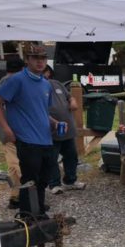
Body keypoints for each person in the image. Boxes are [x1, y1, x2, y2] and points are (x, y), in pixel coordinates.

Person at [0, 44, 58, 219]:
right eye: (35, 58)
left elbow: (42, 111)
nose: (40, 62)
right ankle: (27, 216)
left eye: (43, 58)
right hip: (27, 140)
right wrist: (6, 128)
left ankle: (40, 212)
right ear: (27, 60)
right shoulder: (17, 80)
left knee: (44, 180)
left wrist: (54, 122)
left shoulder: (45, 84)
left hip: (45, 139)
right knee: (30, 180)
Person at [44, 65, 85, 194]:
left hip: (67, 128)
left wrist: (73, 101)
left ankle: (70, 181)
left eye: (45, 71)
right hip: (50, 130)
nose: (44, 74)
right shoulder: (36, 88)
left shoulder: (57, 84)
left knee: (71, 156)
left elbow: (69, 96)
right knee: (52, 158)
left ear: (49, 73)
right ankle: (54, 184)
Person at [0, 57, 25, 209]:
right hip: (11, 130)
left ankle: (18, 195)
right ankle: (17, 196)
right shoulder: (12, 82)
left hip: (9, 129)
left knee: (16, 163)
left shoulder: (4, 81)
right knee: (15, 164)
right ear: (22, 69)